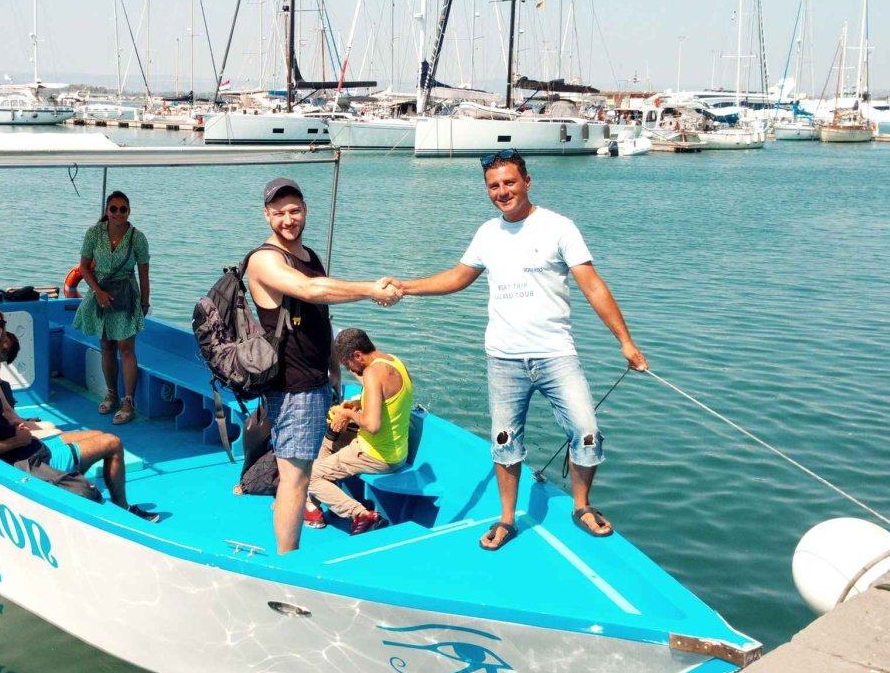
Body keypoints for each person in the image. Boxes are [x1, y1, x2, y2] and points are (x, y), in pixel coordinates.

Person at [392, 149, 648, 551]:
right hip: (504, 358)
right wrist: (406, 287)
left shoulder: (559, 227)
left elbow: (592, 285)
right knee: (505, 440)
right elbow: (458, 278)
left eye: (510, 182)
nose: (502, 191)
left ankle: (581, 506)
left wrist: (625, 342)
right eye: (494, 186)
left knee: (586, 433)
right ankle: (507, 519)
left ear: (527, 182)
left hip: (555, 354)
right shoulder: (487, 233)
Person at [246, 177, 401, 554]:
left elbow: (320, 314)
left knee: (296, 477)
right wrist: (368, 289)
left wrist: (334, 369)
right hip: (293, 386)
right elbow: (311, 291)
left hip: (317, 382)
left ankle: (292, 532)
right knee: (296, 479)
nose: (288, 219)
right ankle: (288, 563)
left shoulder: (309, 256)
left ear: (305, 211)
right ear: (266, 215)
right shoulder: (264, 259)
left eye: (295, 210)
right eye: (279, 212)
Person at [0, 320, 155, 521]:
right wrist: (19, 440)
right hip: (31, 458)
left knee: (97, 435)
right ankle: (123, 509)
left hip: (31, 447)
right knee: (113, 443)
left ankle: (73, 473)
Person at [305, 328, 413, 536]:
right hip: (396, 449)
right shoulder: (393, 362)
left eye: (349, 365)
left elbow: (372, 425)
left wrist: (348, 415)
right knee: (331, 437)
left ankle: (361, 515)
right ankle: (312, 502)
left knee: (308, 476)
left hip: (376, 454)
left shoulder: (372, 372)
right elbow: (388, 403)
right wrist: (356, 404)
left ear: (358, 355)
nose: (351, 370)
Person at [73, 190, 151, 425]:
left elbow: (144, 274)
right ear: (107, 211)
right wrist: (97, 291)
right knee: (106, 344)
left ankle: (129, 401)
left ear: (129, 212)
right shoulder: (94, 233)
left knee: (126, 347)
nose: (118, 213)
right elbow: (84, 267)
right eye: (113, 209)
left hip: (126, 295)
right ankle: (111, 393)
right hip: (100, 293)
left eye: (123, 209)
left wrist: (144, 302)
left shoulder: (137, 237)